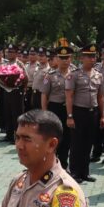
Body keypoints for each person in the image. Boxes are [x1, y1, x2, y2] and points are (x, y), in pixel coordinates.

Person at [65, 44, 104, 183]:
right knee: (77, 143)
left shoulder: (98, 75)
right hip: (78, 112)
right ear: (82, 58)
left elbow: (100, 97)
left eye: (93, 56)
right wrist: (69, 116)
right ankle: (74, 172)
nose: (92, 59)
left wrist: (103, 115)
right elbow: (69, 96)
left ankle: (85, 172)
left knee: (88, 143)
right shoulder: (74, 75)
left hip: (93, 112)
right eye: (88, 56)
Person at [41, 44, 72, 172]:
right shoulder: (50, 76)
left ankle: (64, 165)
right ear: (57, 59)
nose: (65, 60)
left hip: (69, 110)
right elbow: (44, 95)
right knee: (54, 138)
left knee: (68, 138)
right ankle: (51, 165)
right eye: (62, 58)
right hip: (55, 109)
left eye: (67, 58)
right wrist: (44, 113)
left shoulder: (75, 74)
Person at [2, 44, 25, 143]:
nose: (9, 54)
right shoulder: (5, 64)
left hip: (16, 91)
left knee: (16, 114)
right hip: (7, 91)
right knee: (7, 112)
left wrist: (22, 89)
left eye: (11, 52)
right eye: (8, 52)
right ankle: (9, 134)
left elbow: (25, 77)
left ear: (16, 53)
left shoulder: (19, 64)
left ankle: (17, 136)